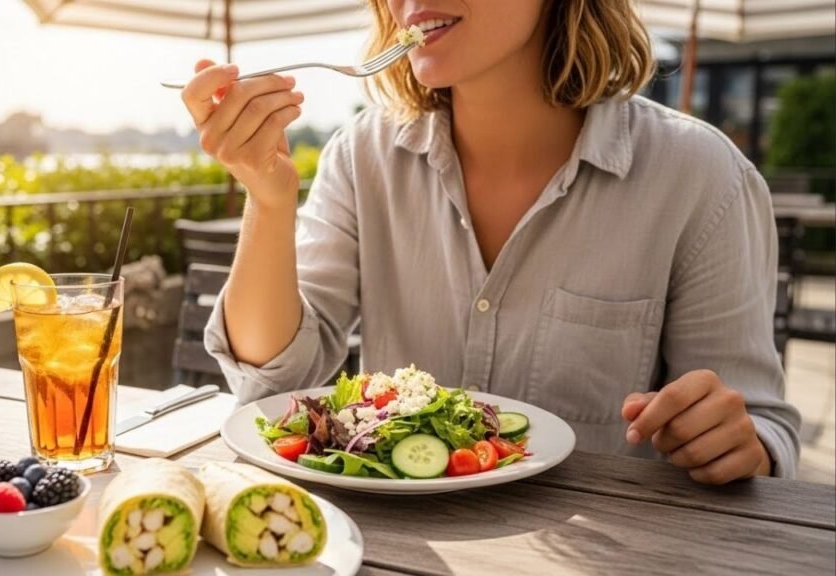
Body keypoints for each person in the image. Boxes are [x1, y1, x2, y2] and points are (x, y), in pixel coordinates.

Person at [179, 0, 800, 484]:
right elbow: (271, 385)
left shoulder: (699, 176)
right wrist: (267, 197)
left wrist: (738, 443)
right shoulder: (362, 158)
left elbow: (764, 433)